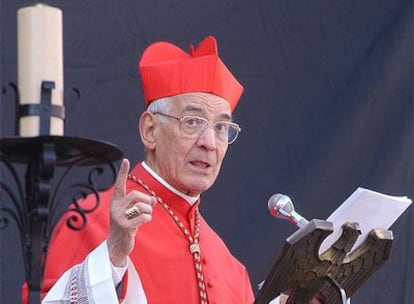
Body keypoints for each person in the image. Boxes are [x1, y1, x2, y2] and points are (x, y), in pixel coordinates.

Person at [41, 35, 255, 304]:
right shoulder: (94, 218)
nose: (209, 143)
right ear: (150, 130)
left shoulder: (232, 268)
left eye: (221, 128)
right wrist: (113, 254)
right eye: (192, 122)